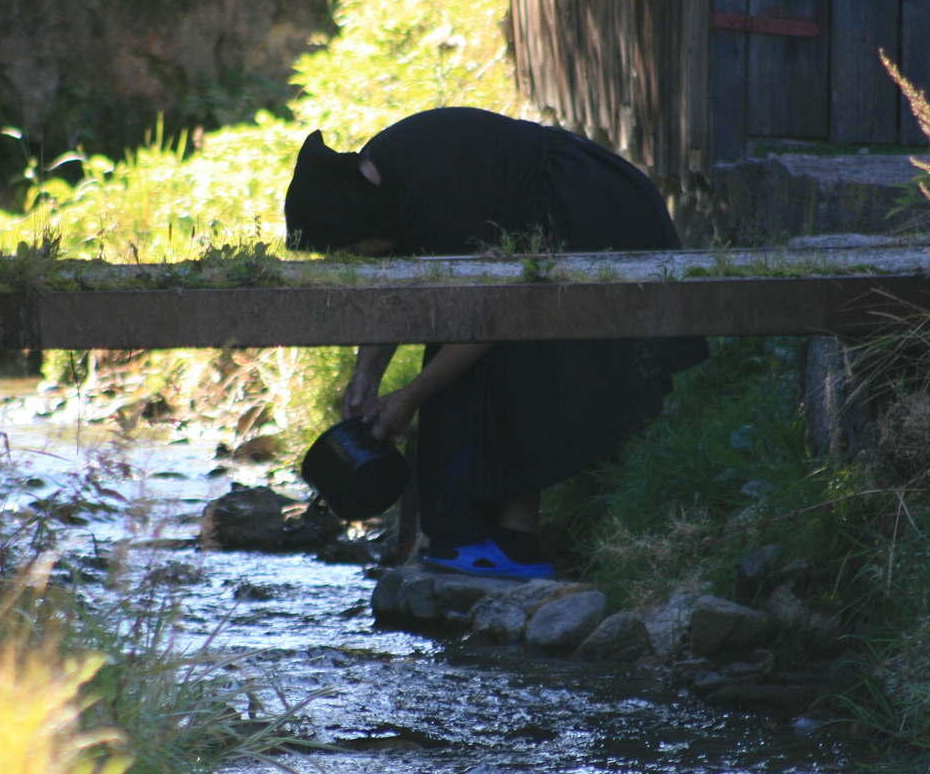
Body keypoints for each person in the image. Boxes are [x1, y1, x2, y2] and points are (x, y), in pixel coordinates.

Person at [284, 107, 707, 579]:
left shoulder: (430, 191)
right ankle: (495, 539)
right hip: (535, 219)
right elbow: (400, 291)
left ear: (352, 220)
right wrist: (366, 376)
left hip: (590, 209)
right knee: (479, 356)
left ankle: (508, 546)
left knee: (512, 361)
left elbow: (486, 319)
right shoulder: (379, 185)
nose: (353, 256)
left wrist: (410, 396)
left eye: (348, 247)